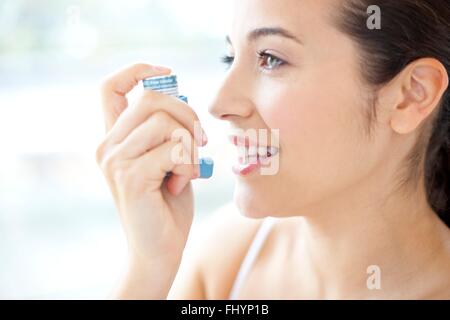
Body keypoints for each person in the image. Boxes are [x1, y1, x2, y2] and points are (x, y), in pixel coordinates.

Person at [96, 0, 450, 299]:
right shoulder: (226, 263)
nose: (219, 104)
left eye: (270, 59)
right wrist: (148, 271)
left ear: (410, 95)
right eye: (229, 57)